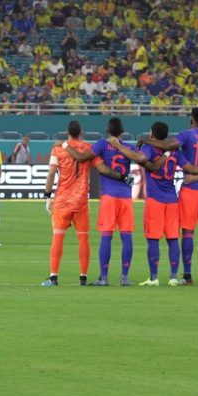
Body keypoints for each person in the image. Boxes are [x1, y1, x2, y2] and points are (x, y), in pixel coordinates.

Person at [108, 121, 198, 286]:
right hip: (172, 199)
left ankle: (154, 277)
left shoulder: (149, 149)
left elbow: (138, 158)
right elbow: (190, 168)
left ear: (152, 135)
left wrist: (119, 146)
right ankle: (173, 277)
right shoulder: (174, 151)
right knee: (172, 239)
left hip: (155, 200)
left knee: (153, 239)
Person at [139, 107, 198, 285]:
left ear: (191, 119)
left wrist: (145, 140)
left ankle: (186, 275)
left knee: (187, 232)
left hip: (189, 189)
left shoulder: (186, 135)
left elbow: (167, 146)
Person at [41, 120, 129, 286]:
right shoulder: (89, 148)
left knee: (58, 238)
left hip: (62, 201)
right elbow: (102, 169)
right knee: (83, 239)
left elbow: (52, 173)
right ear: (81, 133)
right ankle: (83, 277)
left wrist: (47, 196)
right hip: (81, 201)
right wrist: (124, 177)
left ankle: (53, 277)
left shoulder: (58, 148)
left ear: (67, 132)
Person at [63, 118, 137, 286]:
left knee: (106, 237)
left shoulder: (102, 144)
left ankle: (103, 277)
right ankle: (124, 278)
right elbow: (140, 158)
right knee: (127, 237)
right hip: (126, 196)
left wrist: (65, 146)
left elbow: (81, 158)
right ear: (122, 132)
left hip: (109, 197)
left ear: (107, 130)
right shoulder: (128, 147)